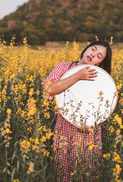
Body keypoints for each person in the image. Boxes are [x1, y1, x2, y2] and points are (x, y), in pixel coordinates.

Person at [43, 40, 112, 181]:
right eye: (93, 49)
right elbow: (50, 88)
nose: (93, 55)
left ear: (100, 63)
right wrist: (78, 75)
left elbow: (105, 108)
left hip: (88, 131)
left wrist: (100, 119)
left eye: (99, 56)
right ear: (86, 48)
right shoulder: (63, 67)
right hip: (64, 128)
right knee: (63, 172)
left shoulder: (100, 77)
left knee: (85, 172)